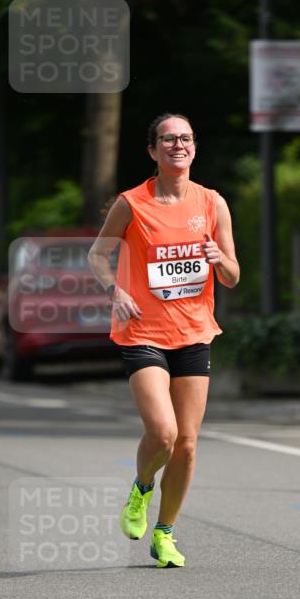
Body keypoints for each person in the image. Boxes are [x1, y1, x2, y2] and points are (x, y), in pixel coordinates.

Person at [88, 112, 239, 567]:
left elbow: (232, 277)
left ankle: (165, 532)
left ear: (194, 148)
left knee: (188, 443)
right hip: (143, 332)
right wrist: (114, 291)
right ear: (153, 150)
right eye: (169, 139)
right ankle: (141, 489)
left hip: (194, 332)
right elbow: (98, 254)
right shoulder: (132, 203)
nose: (179, 145)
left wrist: (218, 258)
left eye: (186, 138)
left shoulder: (212, 203)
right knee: (164, 433)